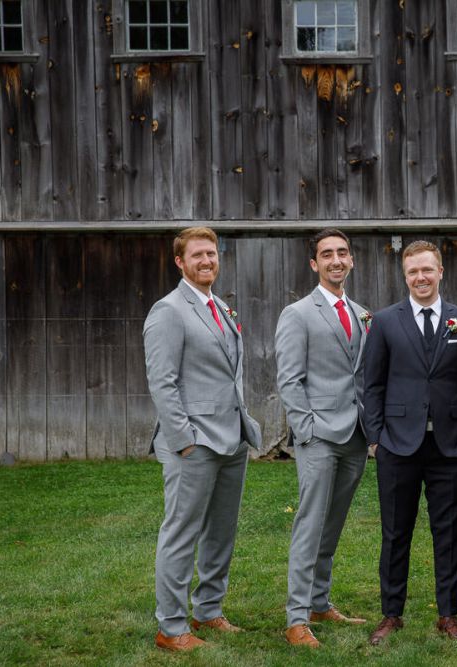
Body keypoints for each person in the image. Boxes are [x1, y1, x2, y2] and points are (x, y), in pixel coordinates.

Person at [143, 226, 262, 652]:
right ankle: (171, 628)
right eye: (197, 255)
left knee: (221, 532)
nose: (206, 261)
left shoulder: (221, 308)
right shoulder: (168, 311)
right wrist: (184, 440)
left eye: (211, 254)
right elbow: (162, 382)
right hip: (193, 444)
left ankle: (208, 611)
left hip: (232, 441)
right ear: (180, 261)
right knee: (181, 532)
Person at [361, 241, 457, 645]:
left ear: (441, 271)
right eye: (413, 271)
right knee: (395, 531)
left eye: (427, 270)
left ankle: (448, 614)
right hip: (398, 444)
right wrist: (376, 436)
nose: (420, 278)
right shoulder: (384, 322)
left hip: (451, 446)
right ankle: (391, 613)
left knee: (449, 532)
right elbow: (372, 382)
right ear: (404, 274)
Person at [274, 228, 370, 648]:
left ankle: (319, 600)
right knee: (310, 523)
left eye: (342, 253)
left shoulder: (363, 313)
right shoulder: (297, 313)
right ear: (314, 264)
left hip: (356, 435)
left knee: (333, 523)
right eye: (327, 254)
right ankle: (296, 618)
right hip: (319, 436)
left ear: (351, 260)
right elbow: (289, 379)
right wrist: (306, 430)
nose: (336, 260)